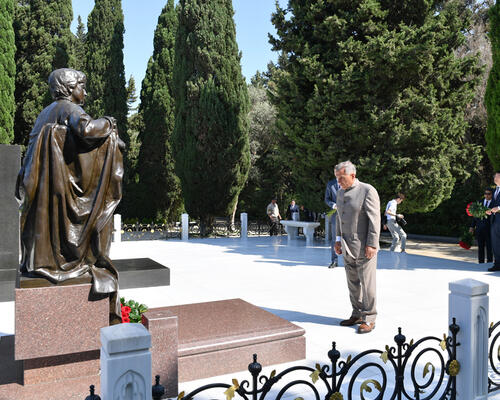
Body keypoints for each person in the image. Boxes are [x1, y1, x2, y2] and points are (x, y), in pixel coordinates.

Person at [15, 68, 124, 319]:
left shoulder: (44, 113)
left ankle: (43, 261)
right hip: (56, 189)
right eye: (81, 86)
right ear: (69, 88)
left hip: (41, 189)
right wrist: (109, 123)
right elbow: (87, 129)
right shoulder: (69, 108)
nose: (85, 92)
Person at [334, 161, 380, 334]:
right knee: (352, 283)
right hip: (346, 246)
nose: (338, 181)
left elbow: (375, 220)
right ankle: (357, 313)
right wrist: (337, 240)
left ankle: (369, 318)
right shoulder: (340, 192)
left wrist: (372, 244)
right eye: (337, 178)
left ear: (352, 175)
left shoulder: (367, 190)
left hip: (364, 246)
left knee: (367, 284)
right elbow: (339, 218)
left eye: (341, 177)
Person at [470, 188, 493, 264]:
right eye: (485, 193)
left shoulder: (494, 203)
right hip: (479, 229)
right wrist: (472, 226)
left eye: (489, 194)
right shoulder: (479, 202)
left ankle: (489, 263)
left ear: (492, 195)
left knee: (489, 248)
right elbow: (475, 216)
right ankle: (481, 263)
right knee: (480, 247)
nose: (487, 195)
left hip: (490, 229)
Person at [325, 177, 340, 268]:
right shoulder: (330, 184)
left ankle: (350, 262)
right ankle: (334, 261)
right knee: (334, 238)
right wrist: (333, 205)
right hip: (335, 214)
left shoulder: (348, 181)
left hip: (348, 215)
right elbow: (327, 199)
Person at [486, 172, 500, 271]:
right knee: (495, 243)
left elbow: (498, 206)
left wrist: (499, 208)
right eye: (494, 176)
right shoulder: (495, 190)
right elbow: (493, 205)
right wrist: (489, 210)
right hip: (495, 220)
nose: (494, 177)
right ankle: (497, 264)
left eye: (497, 176)